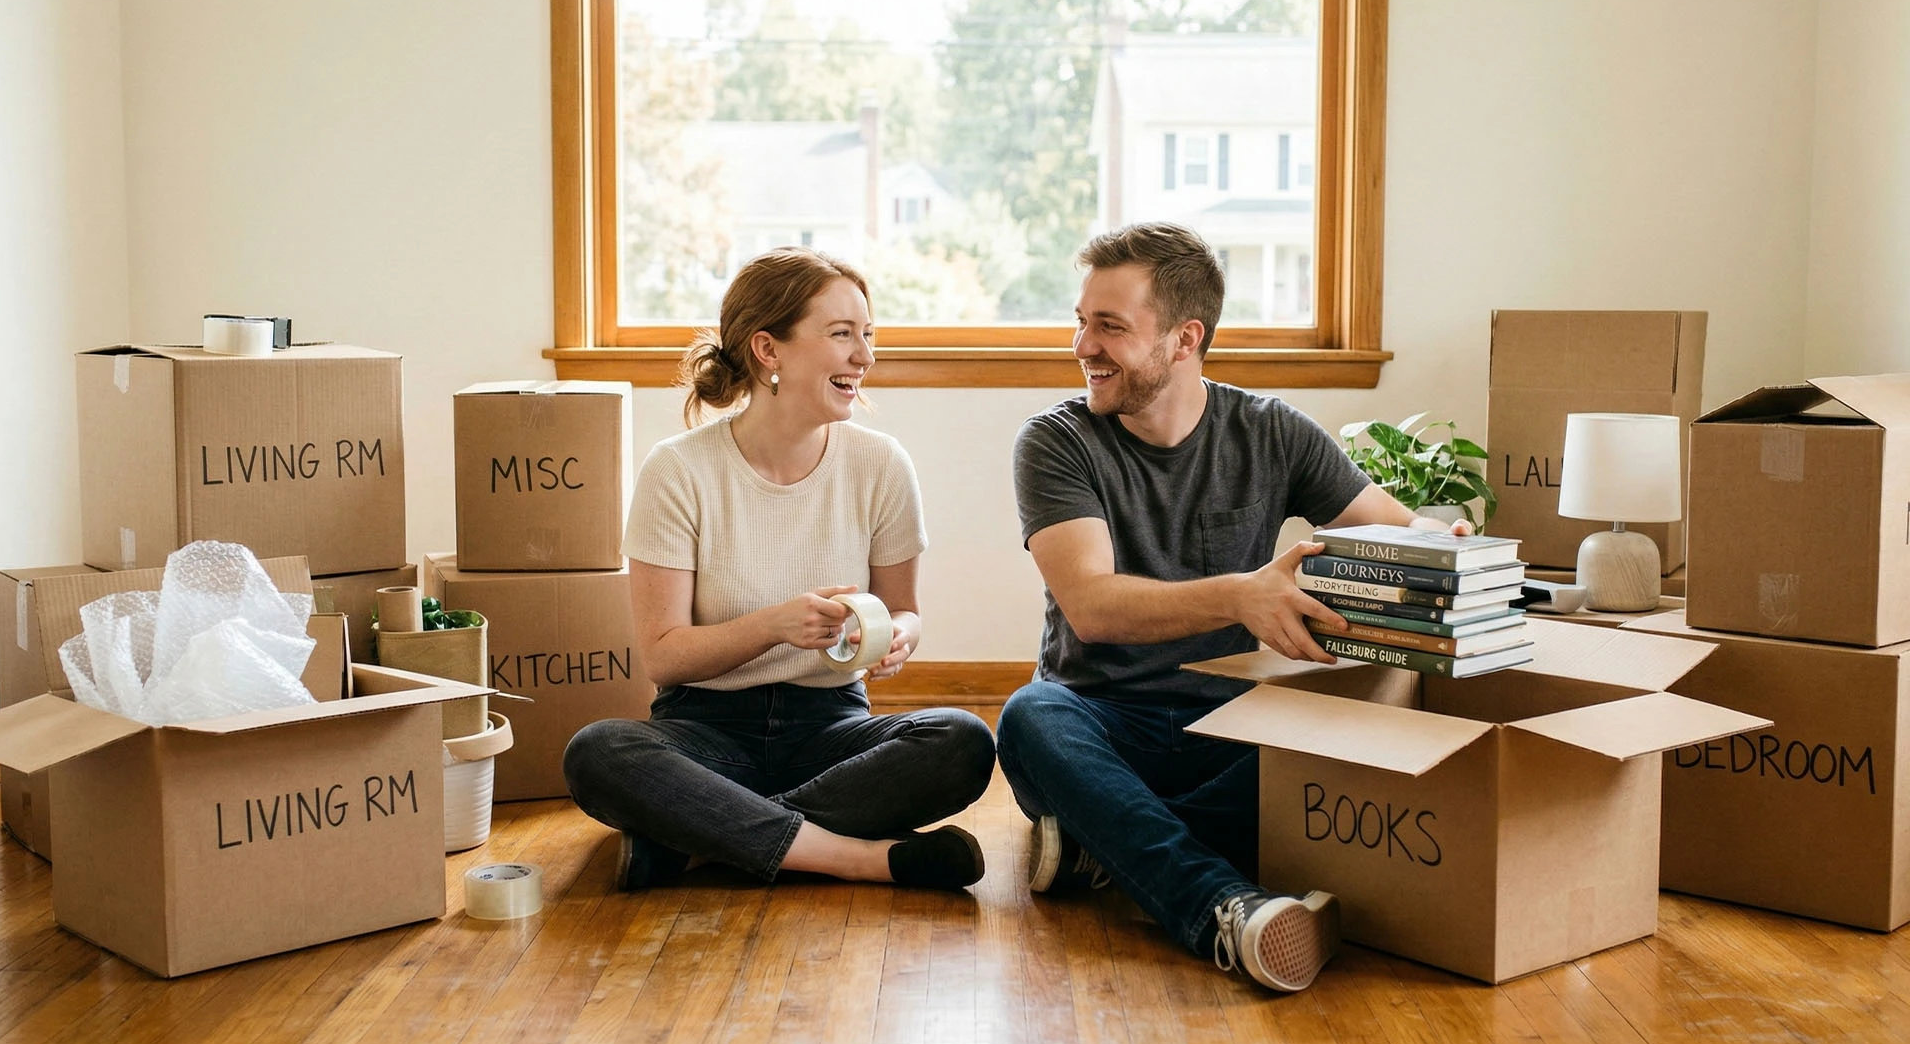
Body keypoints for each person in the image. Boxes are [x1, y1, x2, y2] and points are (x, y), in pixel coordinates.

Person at [998, 222, 1471, 991]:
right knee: (1029, 718)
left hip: (1234, 727)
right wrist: (1242, 595)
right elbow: (1092, 607)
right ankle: (1226, 909)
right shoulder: (1056, 441)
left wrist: (1445, 543)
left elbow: (1389, 525)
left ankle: (1106, 842)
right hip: (1099, 721)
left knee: (1346, 731)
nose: (1083, 346)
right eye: (1081, 322)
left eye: (1110, 327)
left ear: (1185, 339)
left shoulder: (1272, 431)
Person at [564, 247, 996, 892]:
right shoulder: (678, 470)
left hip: (832, 728)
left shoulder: (881, 464)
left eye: (868, 335)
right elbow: (664, 658)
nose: (864, 356)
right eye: (842, 334)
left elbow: (904, 608)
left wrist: (899, 635)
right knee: (598, 753)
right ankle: (858, 858)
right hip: (705, 732)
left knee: (962, 740)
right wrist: (774, 626)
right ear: (769, 350)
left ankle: (703, 841)